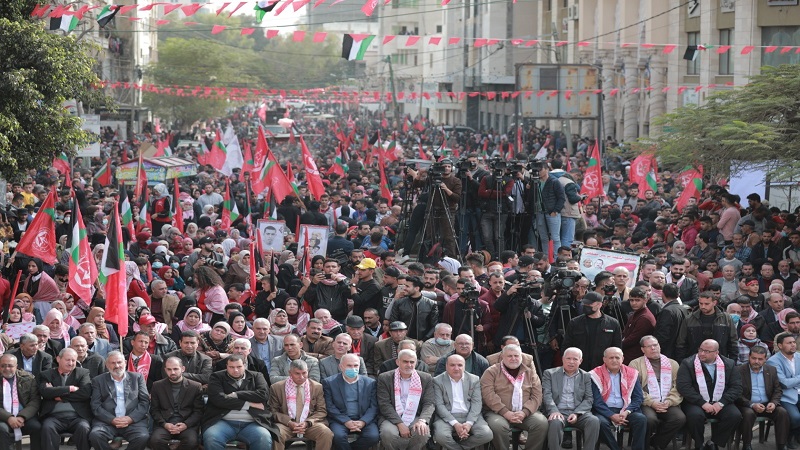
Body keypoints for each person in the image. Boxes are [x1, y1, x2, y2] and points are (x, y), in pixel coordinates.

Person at [676, 339, 743, 450]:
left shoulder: (729, 364)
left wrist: (721, 403)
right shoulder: (688, 363)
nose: (702, 353)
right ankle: (699, 444)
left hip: (721, 400)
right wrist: (702, 403)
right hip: (696, 402)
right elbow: (684, 387)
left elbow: (736, 387)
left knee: (734, 415)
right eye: (700, 350)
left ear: (716, 353)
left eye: (707, 351)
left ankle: (714, 443)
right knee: (695, 416)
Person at [481, 344, 548, 450]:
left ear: (521, 356)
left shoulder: (530, 373)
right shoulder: (491, 372)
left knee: (541, 423)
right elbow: (488, 395)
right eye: (510, 356)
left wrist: (524, 412)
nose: (513, 358)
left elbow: (537, 396)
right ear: (502, 357)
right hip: (497, 413)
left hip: (524, 413)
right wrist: (505, 412)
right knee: (498, 426)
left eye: (516, 356)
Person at [202, 354, 276, 450]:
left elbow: (263, 394)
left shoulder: (257, 376)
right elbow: (219, 399)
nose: (235, 370)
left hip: (253, 423)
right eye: (231, 367)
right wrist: (249, 404)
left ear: (244, 365)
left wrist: (236, 394)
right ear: (226, 366)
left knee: (264, 437)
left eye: (239, 367)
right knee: (211, 437)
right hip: (223, 422)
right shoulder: (216, 377)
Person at [628, 336, 686, 450]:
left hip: (667, 402)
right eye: (649, 346)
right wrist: (652, 403)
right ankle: (644, 446)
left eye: (655, 345)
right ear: (642, 349)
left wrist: (669, 401)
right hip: (646, 402)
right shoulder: (635, 364)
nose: (653, 348)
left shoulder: (673, 363)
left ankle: (656, 442)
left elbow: (678, 386)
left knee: (679, 418)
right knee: (649, 419)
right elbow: (634, 388)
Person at [89, 351, 151, 450]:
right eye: (113, 363)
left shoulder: (137, 378)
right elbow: (95, 405)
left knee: (142, 437)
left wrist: (130, 418)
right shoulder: (98, 380)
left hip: (132, 421)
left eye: (119, 362)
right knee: (95, 435)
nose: (117, 366)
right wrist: (111, 419)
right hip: (107, 422)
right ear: (106, 365)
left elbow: (144, 402)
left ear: (125, 363)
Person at [541, 347, 600, 450]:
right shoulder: (550, 373)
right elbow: (547, 395)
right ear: (563, 359)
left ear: (580, 361)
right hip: (558, 411)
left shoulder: (586, 376)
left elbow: (589, 398)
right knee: (555, 422)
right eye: (568, 358)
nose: (571, 362)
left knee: (594, 421)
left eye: (575, 359)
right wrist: (554, 411)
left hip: (578, 413)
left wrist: (577, 413)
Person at [589, 347, 647, 450]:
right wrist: (611, 415)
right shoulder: (595, 375)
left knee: (641, 419)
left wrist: (627, 411)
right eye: (611, 358)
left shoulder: (632, 373)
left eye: (617, 357)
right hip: (604, 410)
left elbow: (638, 398)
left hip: (626, 410)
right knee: (600, 423)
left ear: (622, 359)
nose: (614, 360)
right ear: (604, 359)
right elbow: (596, 401)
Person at [268, 359, 334, 450]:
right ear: (290, 373)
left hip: (309, 424)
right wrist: (289, 422)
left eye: (304, 373)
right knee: (277, 433)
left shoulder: (317, 387)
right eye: (297, 373)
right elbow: (273, 411)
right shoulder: (277, 387)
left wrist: (307, 423)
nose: (301, 377)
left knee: (326, 433)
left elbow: (321, 411)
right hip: (286, 424)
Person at [431, 354, 493, 450]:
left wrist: (469, 423)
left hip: (470, 415)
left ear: (464, 366)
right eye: (452, 365)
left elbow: (477, 403)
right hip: (447, 417)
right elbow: (439, 405)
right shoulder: (437, 380)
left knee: (486, 434)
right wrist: (455, 424)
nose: (456, 368)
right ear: (446, 366)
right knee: (441, 436)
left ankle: (458, 447)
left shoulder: (474, 379)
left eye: (460, 365)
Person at [376, 349, 434, 450]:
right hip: (391, 417)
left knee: (422, 432)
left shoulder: (426, 378)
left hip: (416, 415)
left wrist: (422, 420)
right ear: (398, 362)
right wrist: (400, 424)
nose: (409, 365)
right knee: (388, 433)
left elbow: (429, 403)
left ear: (416, 363)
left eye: (412, 362)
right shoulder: (385, 378)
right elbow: (384, 404)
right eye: (405, 361)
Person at [736, 346, 790, 450]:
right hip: (747, 404)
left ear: (765, 359)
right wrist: (752, 404)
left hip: (767, 404)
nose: (756, 361)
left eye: (760, 359)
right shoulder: (739, 370)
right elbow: (737, 393)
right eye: (753, 358)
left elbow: (777, 390)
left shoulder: (771, 370)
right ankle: (747, 445)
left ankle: (781, 445)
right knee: (748, 414)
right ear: (749, 357)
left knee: (782, 412)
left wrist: (773, 402)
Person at [322, 353, 380, 450]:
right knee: (338, 437)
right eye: (349, 365)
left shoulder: (370, 383)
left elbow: (374, 406)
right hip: (340, 420)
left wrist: (363, 421)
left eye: (356, 365)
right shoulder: (329, 383)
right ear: (341, 366)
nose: (353, 368)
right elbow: (329, 406)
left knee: (373, 436)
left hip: (363, 418)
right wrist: (346, 421)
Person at [38, 348, 91, 450]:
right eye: (68, 360)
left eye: (73, 360)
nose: (71, 363)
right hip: (53, 417)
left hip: (77, 417)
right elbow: (45, 392)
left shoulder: (82, 373)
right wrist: (69, 388)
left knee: (84, 428)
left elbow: (85, 393)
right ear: (58, 359)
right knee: (47, 428)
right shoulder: (46, 374)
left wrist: (58, 394)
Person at [149, 356, 205, 450]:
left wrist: (186, 424)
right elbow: (154, 410)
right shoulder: (157, 386)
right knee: (155, 440)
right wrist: (165, 424)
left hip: (187, 424)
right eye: (169, 369)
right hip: (164, 424)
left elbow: (198, 411)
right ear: (165, 370)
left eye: (175, 369)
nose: (172, 372)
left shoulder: (195, 386)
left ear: (183, 369)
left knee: (192, 442)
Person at [562, 292, 622, 371]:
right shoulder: (575, 323)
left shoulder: (612, 323)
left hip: (602, 368)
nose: (586, 306)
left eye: (590, 304)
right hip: (579, 368)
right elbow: (566, 345)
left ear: (599, 305)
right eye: (585, 303)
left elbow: (617, 347)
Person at [680, 292, 738, 362]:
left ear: (714, 303)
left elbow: (733, 342)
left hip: (720, 359)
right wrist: (682, 361)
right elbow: (681, 343)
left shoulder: (726, 318)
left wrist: (732, 361)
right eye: (701, 303)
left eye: (706, 304)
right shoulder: (689, 319)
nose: (703, 306)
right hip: (695, 360)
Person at [0, 353, 41, 449]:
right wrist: (9, 417)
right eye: (3, 366)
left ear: (16, 366)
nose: (6, 368)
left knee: (37, 427)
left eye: (10, 366)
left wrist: (22, 417)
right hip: (3, 417)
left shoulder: (28, 378)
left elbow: (35, 401)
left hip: (24, 416)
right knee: (2, 429)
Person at [767, 332, 800, 446]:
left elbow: (789, 381)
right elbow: (784, 383)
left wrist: (794, 380)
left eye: (794, 342)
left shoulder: (799, 356)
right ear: (780, 346)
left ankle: (797, 436)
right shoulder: (773, 361)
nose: (793, 345)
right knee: (795, 417)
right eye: (789, 343)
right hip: (786, 395)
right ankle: (790, 437)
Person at [389, 276, 439, 341]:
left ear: (417, 288)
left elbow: (434, 326)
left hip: (422, 341)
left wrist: (424, 340)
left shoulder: (431, 304)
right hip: (402, 340)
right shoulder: (399, 303)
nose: (404, 288)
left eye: (407, 286)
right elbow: (393, 322)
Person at [621, 287, 656, 362]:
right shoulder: (636, 314)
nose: (634, 303)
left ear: (645, 300)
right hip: (630, 356)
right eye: (631, 300)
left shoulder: (645, 318)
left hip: (636, 358)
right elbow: (625, 334)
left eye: (637, 300)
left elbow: (633, 339)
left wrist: (617, 345)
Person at [653, 284, 687, 361]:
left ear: (663, 293)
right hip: (680, 351)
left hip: (668, 353)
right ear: (678, 295)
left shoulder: (667, 311)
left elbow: (663, 334)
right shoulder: (684, 309)